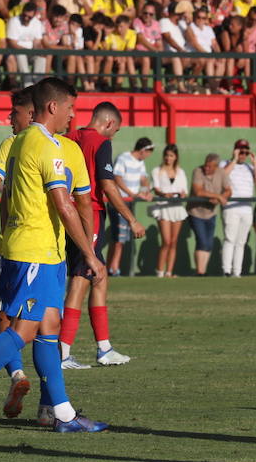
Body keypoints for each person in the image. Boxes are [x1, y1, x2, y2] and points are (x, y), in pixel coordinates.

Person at [0, 76, 108, 433]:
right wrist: (90, 254)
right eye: (71, 108)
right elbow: (65, 204)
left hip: (39, 251)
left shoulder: (20, 142)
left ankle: (63, 414)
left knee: (49, 328)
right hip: (34, 251)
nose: (74, 115)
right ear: (54, 107)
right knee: (23, 330)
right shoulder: (45, 146)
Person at [61, 102, 140, 367]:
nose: (113, 136)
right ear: (108, 124)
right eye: (115, 130)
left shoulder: (70, 137)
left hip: (66, 213)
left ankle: (104, 348)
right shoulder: (100, 142)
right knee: (82, 278)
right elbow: (106, 184)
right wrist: (130, 219)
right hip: (89, 214)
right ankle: (63, 352)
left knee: (99, 275)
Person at [108, 138, 154, 276]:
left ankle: (111, 267)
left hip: (130, 202)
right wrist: (132, 194)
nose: (148, 155)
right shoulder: (123, 158)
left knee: (121, 238)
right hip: (119, 202)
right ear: (143, 150)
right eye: (148, 152)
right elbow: (117, 178)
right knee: (119, 238)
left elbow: (144, 179)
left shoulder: (141, 163)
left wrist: (146, 191)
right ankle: (114, 269)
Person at [220, 139, 256, 278]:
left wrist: (255, 163)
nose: (243, 154)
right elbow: (222, 176)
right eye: (240, 151)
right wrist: (234, 159)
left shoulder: (250, 167)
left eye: (245, 152)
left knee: (241, 241)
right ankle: (226, 270)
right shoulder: (225, 163)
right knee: (230, 239)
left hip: (246, 208)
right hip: (231, 206)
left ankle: (237, 271)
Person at [150, 143, 189, 277]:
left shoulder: (181, 172)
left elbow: (185, 190)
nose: (168, 158)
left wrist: (182, 194)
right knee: (166, 241)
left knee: (173, 242)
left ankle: (169, 272)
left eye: (171, 156)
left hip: (177, 208)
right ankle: (159, 271)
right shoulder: (157, 171)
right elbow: (155, 188)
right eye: (166, 155)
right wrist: (164, 194)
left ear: (175, 157)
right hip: (163, 207)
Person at [188, 153, 229, 276]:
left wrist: (221, 198)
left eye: (210, 166)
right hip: (195, 212)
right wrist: (218, 196)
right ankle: (199, 271)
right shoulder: (197, 171)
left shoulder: (221, 173)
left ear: (216, 166)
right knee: (201, 240)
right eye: (206, 165)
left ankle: (203, 271)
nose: (207, 168)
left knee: (209, 243)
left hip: (211, 212)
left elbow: (228, 190)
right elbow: (198, 191)